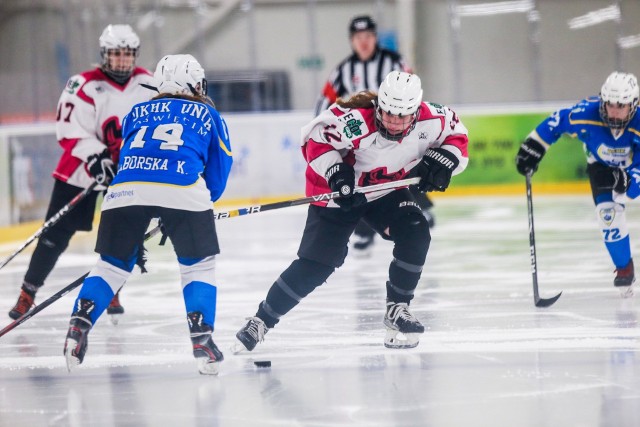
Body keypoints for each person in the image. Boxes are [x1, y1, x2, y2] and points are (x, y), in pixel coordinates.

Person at [233, 71, 468, 352]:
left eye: (402, 116)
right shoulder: (353, 121)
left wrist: (444, 161)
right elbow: (313, 141)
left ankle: (397, 309)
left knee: (416, 232)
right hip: (340, 194)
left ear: (416, 112)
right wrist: (337, 173)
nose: (393, 122)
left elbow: (458, 137)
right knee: (317, 265)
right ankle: (261, 321)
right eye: (388, 113)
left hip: (385, 189)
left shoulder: (434, 120)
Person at [63, 54, 233, 375]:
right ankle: (202, 341)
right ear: (193, 84)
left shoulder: (136, 113)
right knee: (198, 267)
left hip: (122, 192)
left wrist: (156, 210)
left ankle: (77, 325)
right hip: (183, 188)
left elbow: (137, 158)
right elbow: (217, 177)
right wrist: (191, 210)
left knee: (110, 268)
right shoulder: (208, 113)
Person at [8, 24, 155, 322]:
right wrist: (96, 157)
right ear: (104, 55)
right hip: (82, 171)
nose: (122, 61)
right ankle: (28, 291)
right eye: (116, 54)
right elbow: (69, 128)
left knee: (124, 232)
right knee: (55, 235)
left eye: (127, 55)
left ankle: (111, 287)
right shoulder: (83, 84)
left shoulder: (149, 83)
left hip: (126, 172)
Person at [314, 15, 435, 256]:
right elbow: (324, 105)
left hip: (396, 131)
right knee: (360, 178)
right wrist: (321, 132)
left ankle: (420, 205)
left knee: (405, 166)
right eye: (359, 38)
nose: (364, 42)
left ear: (375, 38)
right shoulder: (342, 71)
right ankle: (364, 229)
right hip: (362, 139)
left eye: (368, 36)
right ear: (352, 41)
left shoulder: (395, 63)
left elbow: (414, 96)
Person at [516, 71, 640, 298]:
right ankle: (624, 268)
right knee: (607, 214)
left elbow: (634, 184)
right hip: (600, 166)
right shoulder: (585, 114)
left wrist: (628, 180)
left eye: (620, 105)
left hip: (634, 166)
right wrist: (533, 147)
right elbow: (557, 122)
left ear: (633, 105)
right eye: (609, 104)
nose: (613, 110)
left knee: (626, 194)